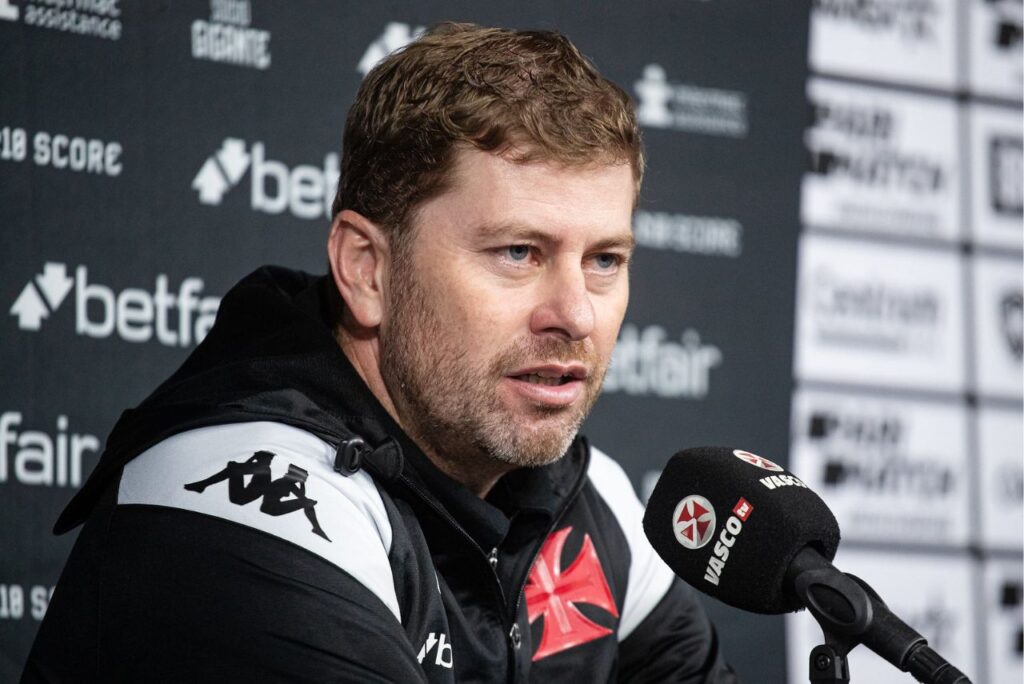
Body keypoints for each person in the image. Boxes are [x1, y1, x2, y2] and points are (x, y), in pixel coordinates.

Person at [23, 23, 738, 683]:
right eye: (519, 253)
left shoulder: (589, 495)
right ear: (368, 271)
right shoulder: (242, 495)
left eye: (605, 260)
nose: (576, 314)